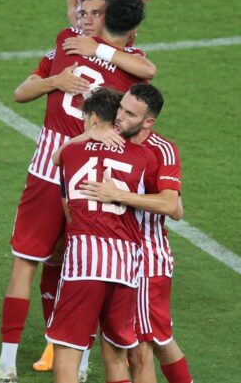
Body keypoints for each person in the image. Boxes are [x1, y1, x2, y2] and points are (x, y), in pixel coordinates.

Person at [0, 0, 154, 383]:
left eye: (94, 13)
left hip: (56, 168)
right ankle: (53, 360)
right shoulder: (125, 62)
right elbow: (147, 70)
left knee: (49, 264)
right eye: (82, 12)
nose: (85, 19)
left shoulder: (67, 42)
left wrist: (77, 63)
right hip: (87, 175)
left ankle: (16, 362)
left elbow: (23, 92)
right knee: (69, 265)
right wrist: (57, 80)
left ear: (107, 18)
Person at [77, 83, 193, 383]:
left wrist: (118, 195)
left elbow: (171, 206)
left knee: (141, 348)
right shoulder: (108, 137)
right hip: (115, 257)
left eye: (130, 114)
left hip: (146, 259)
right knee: (145, 341)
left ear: (148, 121)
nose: (119, 117)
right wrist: (88, 134)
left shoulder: (161, 150)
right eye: (121, 108)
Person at [48, 86, 157, 383]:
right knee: (117, 355)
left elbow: (56, 159)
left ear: (93, 118)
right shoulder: (145, 157)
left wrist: (86, 136)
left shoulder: (70, 152)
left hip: (84, 260)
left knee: (67, 353)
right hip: (125, 264)